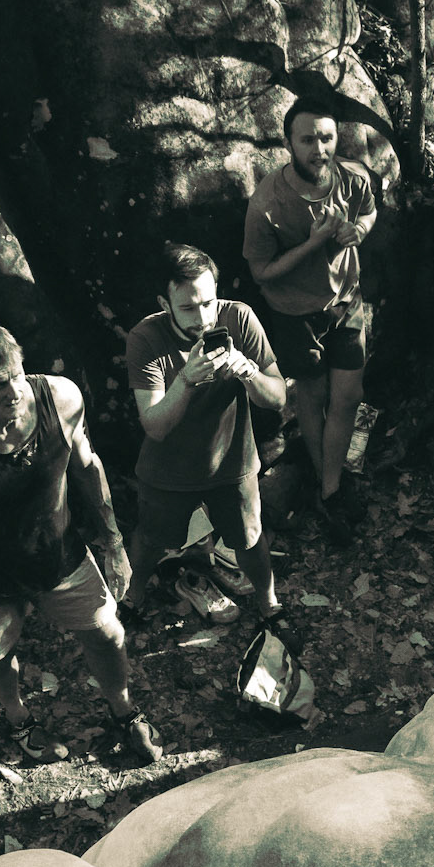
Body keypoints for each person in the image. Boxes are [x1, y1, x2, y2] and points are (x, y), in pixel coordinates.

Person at [0, 321, 160, 765]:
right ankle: (18, 716)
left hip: (57, 553)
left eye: (18, 376)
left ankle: (124, 710)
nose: (15, 393)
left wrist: (114, 543)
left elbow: (88, 467)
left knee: (107, 632)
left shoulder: (60, 398)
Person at [123, 243, 288, 622]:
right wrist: (185, 380)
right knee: (151, 539)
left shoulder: (239, 319)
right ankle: (133, 596)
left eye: (208, 302)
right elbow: (154, 426)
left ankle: (269, 603)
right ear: (164, 304)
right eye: (188, 308)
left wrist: (249, 373)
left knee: (249, 538)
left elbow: (278, 397)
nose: (203, 318)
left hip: (232, 463)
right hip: (168, 468)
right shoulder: (146, 338)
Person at [243, 85, 378, 545]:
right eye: (307, 140)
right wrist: (314, 242)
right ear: (288, 143)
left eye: (326, 138)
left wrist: (358, 230)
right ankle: (330, 488)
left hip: (346, 302)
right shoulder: (268, 203)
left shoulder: (353, 178)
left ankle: (330, 486)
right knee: (314, 398)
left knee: (349, 396)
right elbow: (261, 272)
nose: (319, 149)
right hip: (295, 314)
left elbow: (369, 212)